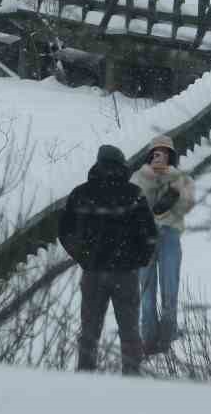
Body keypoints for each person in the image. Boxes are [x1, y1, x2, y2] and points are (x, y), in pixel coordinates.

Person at [57, 143, 158, 375]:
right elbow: (150, 234)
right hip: (126, 274)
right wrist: (138, 260)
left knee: (89, 332)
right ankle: (131, 380)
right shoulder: (134, 194)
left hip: (93, 273)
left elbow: (64, 231)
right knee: (130, 332)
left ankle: (85, 378)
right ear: (122, 165)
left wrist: (83, 257)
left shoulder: (80, 194)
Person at [132, 133, 195, 356]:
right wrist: (151, 179)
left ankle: (165, 338)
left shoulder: (180, 178)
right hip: (146, 238)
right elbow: (136, 207)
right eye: (158, 153)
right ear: (151, 156)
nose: (161, 158)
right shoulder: (140, 177)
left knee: (169, 288)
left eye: (165, 153)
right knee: (148, 291)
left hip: (168, 235)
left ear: (171, 156)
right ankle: (149, 339)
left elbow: (186, 206)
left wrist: (173, 187)